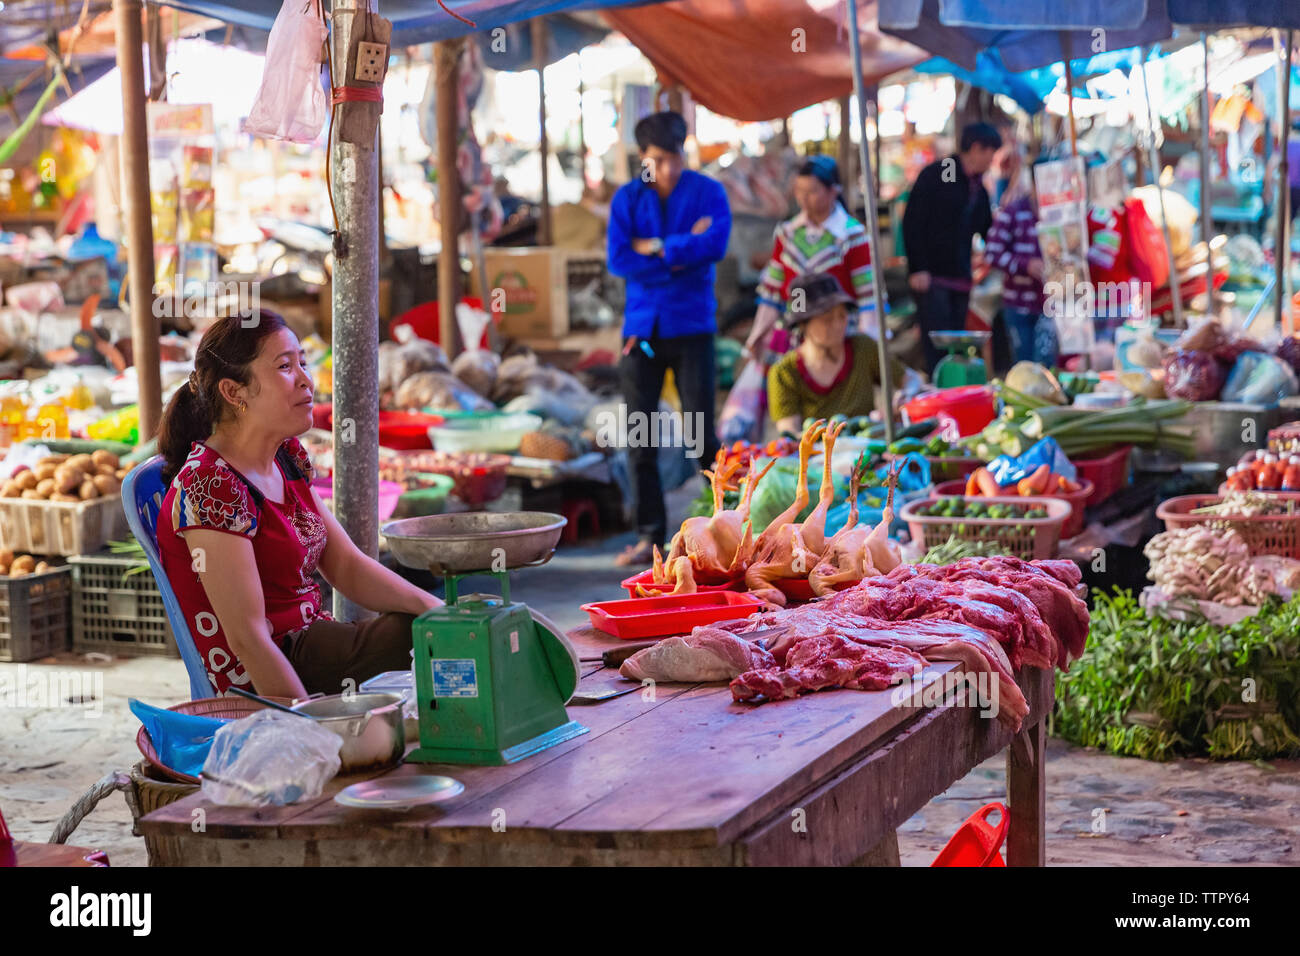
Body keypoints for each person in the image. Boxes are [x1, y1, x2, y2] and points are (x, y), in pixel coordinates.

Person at [155, 311, 441, 700]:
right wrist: (310, 729)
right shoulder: (211, 485)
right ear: (233, 391)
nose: (306, 380)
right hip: (266, 676)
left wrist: (439, 612)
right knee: (425, 641)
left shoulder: (285, 456)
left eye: (302, 363)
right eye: (285, 367)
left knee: (432, 628)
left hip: (315, 643)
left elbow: (346, 566)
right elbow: (249, 640)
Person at [607, 110, 731, 567]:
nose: (667, 169)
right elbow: (619, 260)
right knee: (640, 434)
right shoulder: (626, 198)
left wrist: (657, 246)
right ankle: (648, 536)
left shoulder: (708, 192)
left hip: (693, 325)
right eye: (658, 160)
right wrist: (681, 250)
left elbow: (715, 246)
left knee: (702, 432)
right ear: (642, 157)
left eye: (674, 158)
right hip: (642, 329)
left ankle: (727, 526)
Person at [745, 155, 878, 363]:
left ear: (833, 191)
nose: (804, 198)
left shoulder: (853, 235)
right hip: (792, 337)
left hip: (839, 337)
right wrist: (757, 335)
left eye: (813, 191)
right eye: (799, 191)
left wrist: (868, 345)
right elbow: (772, 292)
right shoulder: (787, 233)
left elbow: (868, 297)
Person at [766, 272, 921, 436]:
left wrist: (904, 396)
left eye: (842, 315)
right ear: (803, 324)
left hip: (868, 451)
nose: (838, 324)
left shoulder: (863, 347)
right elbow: (790, 435)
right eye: (827, 319)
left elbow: (911, 378)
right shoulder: (783, 373)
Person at [902, 122, 1001, 371]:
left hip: (960, 278)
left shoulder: (978, 187)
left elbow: (985, 227)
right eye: (990, 153)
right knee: (937, 345)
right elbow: (913, 222)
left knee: (956, 343)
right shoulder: (941, 172)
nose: (992, 160)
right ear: (976, 149)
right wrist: (918, 268)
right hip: (932, 278)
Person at [985, 170, 1058, 367]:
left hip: (1053, 305)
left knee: (1048, 366)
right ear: (1033, 184)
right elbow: (992, 253)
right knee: (1023, 364)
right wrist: (1025, 265)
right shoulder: (1013, 213)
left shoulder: (1060, 214)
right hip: (1018, 305)